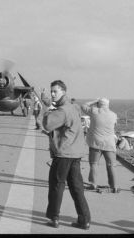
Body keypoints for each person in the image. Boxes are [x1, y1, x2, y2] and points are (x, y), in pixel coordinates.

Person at [42, 80, 91, 230]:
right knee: (77, 187)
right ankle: (84, 220)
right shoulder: (73, 107)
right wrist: (51, 104)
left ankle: (54, 218)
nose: (52, 94)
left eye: (55, 91)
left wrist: (46, 108)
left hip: (64, 154)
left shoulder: (62, 111)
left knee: (56, 185)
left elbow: (47, 124)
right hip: (75, 154)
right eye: (51, 91)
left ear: (63, 91)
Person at [81, 97, 119, 193]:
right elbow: (115, 125)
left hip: (95, 143)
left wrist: (94, 101)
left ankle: (93, 184)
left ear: (99, 104)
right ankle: (114, 186)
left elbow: (83, 106)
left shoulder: (94, 111)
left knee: (94, 164)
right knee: (111, 165)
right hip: (109, 144)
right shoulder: (114, 115)